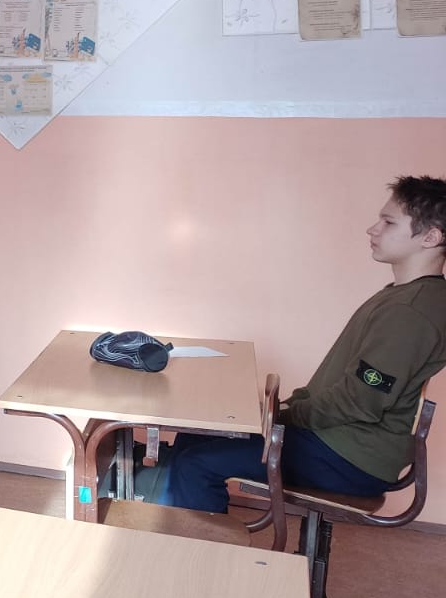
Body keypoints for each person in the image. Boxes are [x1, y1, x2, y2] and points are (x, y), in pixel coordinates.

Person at [155, 176, 446, 514]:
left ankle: (198, 547)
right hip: (339, 440)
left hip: (350, 456)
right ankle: (176, 532)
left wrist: (285, 415)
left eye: (389, 222)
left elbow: (360, 402)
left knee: (196, 463)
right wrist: (278, 413)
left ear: (431, 237)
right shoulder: (407, 297)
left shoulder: (411, 311)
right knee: (198, 434)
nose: (373, 229)